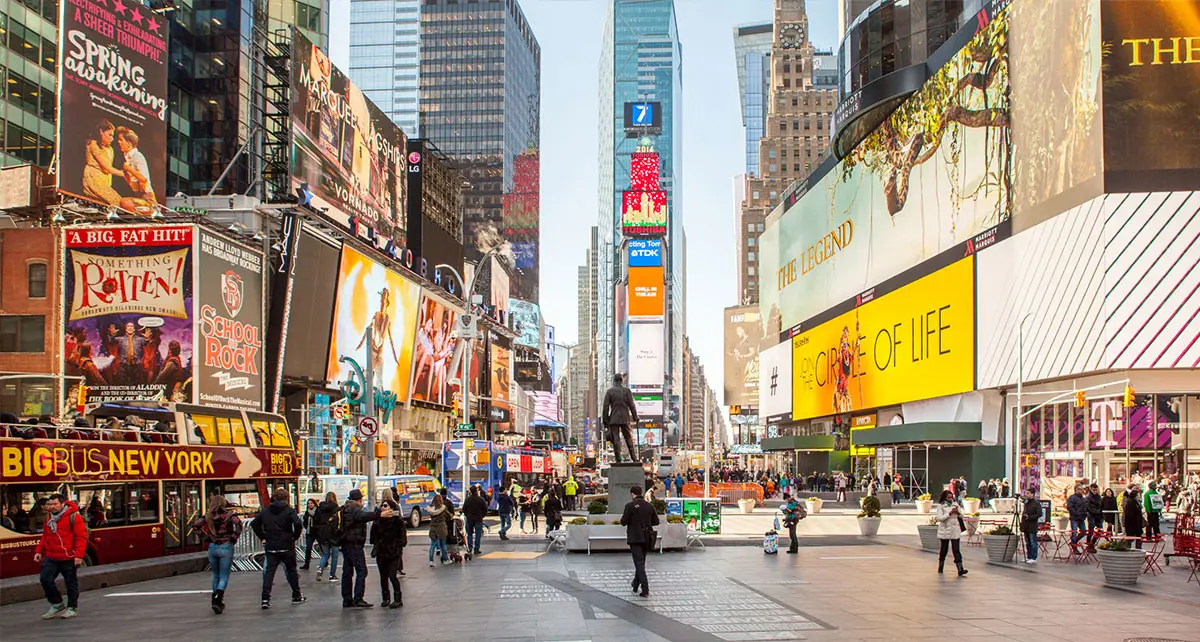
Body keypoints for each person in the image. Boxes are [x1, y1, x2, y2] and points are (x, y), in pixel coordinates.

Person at [251, 488, 306, 609]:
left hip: (271, 544)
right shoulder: (289, 510)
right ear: (286, 498)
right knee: (291, 570)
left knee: (269, 572)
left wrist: (263, 537)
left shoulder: (266, 511)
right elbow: (297, 523)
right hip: (286, 544)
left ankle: (265, 598)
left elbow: (254, 523)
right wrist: (294, 536)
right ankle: (296, 595)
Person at [34, 494, 87, 619]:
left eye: (55, 504)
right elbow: (45, 535)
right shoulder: (49, 517)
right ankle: (57, 603)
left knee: (71, 583)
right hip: (52, 555)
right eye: (50, 504)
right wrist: (39, 551)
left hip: (68, 556)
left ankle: (72, 607)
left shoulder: (74, 517)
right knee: (45, 578)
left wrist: (79, 555)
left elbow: (81, 537)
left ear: (62, 504)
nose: (52, 507)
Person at [339, 489, 393, 608]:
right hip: (354, 544)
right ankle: (358, 598)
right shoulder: (354, 508)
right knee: (362, 571)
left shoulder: (345, 508)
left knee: (347, 572)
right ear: (359, 499)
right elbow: (362, 516)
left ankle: (347, 598)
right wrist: (379, 514)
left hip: (346, 543)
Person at [192, 495, 243, 613]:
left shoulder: (208, 515)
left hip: (213, 546)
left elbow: (195, 525)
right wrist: (233, 538)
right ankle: (218, 598)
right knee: (224, 575)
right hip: (226, 546)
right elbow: (239, 525)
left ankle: (214, 599)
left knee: (216, 574)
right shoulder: (230, 515)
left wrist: (206, 537)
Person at [619, 485, 659, 597]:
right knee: (641, 562)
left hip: (635, 538)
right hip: (647, 538)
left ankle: (645, 589)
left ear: (632, 494)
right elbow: (656, 522)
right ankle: (635, 584)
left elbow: (623, 522)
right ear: (641, 492)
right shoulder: (649, 506)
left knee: (639, 563)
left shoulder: (629, 506)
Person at [369, 498, 406, 609]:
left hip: (394, 553)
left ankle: (398, 599)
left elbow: (403, 539)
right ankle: (386, 598)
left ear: (392, 508)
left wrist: (397, 547)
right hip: (381, 552)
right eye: (382, 506)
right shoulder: (378, 521)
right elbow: (373, 537)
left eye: (386, 505)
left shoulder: (398, 521)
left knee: (392, 575)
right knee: (383, 576)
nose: (383, 507)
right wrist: (377, 545)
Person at [602, 373, 639, 463]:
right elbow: (632, 405)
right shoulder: (627, 391)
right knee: (628, 438)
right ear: (622, 380)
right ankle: (634, 458)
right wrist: (635, 417)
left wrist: (605, 421)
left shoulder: (610, 391)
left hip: (613, 419)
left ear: (614, 381)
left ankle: (618, 459)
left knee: (616, 439)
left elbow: (605, 407)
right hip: (625, 418)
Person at [934, 490, 968, 576]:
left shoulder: (955, 504)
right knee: (944, 549)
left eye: (951, 497)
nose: (950, 499)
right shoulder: (941, 506)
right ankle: (941, 566)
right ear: (944, 497)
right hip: (945, 530)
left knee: (956, 550)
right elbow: (940, 518)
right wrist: (949, 513)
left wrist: (957, 512)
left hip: (955, 530)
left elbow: (962, 516)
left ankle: (960, 569)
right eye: (948, 497)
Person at [313, 492, 340, 582]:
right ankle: (332, 575)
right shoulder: (336, 508)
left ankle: (320, 569)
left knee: (325, 554)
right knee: (335, 555)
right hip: (333, 534)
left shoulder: (320, 508)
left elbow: (315, 520)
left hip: (322, 533)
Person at [462, 486, 488, 556]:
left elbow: (464, 509)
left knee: (469, 534)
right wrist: (482, 516)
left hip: (470, 519)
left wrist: (467, 515)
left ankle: (470, 548)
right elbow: (485, 509)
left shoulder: (468, 500)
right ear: (476, 491)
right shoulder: (481, 499)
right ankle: (476, 549)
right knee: (478, 534)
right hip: (478, 519)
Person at [1019, 489, 1041, 564]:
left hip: (1032, 525)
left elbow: (1039, 514)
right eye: (1026, 493)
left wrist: (1030, 517)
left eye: (1028, 493)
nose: (1026, 495)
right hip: (1026, 525)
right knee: (1027, 542)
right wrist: (1022, 523)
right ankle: (1028, 556)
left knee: (1033, 542)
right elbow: (1023, 513)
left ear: (1032, 494)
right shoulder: (1026, 503)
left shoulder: (1036, 503)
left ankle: (1033, 557)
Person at [427, 494, 450, 567]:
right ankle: (445, 559)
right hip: (441, 528)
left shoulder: (431, 509)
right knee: (443, 544)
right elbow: (449, 515)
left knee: (433, 545)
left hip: (433, 528)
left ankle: (431, 561)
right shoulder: (443, 508)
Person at [301, 498, 318, 570]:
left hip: (317, 532)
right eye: (308, 503)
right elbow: (304, 521)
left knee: (322, 547)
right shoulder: (307, 512)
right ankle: (306, 564)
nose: (310, 505)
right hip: (309, 532)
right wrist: (306, 527)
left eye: (311, 503)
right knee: (308, 548)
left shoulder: (318, 511)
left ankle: (325, 561)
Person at [1085, 484, 1103, 550]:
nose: (1095, 491)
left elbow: (1101, 505)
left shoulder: (1098, 497)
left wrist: (1100, 513)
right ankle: (1089, 544)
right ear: (1090, 489)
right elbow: (1088, 507)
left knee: (1100, 531)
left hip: (1098, 516)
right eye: (1093, 490)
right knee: (1091, 531)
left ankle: (1092, 544)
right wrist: (1096, 511)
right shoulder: (1088, 497)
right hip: (1091, 515)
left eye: (1096, 490)